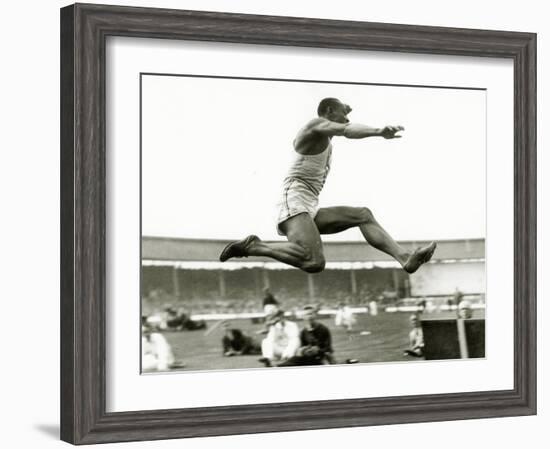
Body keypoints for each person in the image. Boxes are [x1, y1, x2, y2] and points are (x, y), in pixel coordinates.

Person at [219, 98, 436, 274]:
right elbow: (347, 129)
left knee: (363, 214)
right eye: (343, 113)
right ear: (329, 111)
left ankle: (405, 258)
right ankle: (254, 246)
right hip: (294, 199)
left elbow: (343, 126)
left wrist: (345, 110)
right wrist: (378, 131)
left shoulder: (325, 134)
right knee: (314, 262)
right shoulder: (313, 125)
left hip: (309, 203)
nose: (347, 118)